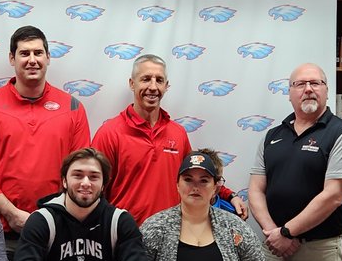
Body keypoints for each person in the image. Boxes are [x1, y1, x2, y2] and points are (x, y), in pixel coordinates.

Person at [0, 25, 90, 240]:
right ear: (12, 58)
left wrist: (54, 216)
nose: (32, 60)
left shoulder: (72, 107)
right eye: (24, 53)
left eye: (38, 53)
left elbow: (81, 170)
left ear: (48, 57)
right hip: (0, 230)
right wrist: (10, 213)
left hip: (57, 229)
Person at [248, 62, 342, 261]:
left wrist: (287, 233)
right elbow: (255, 190)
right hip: (273, 250)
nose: (308, 89)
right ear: (290, 93)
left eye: (315, 83)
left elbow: (333, 196)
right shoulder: (272, 136)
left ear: (326, 90)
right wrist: (274, 233)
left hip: (318, 252)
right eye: (300, 84)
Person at [93, 55, 248, 224]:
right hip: (126, 234)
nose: (153, 87)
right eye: (146, 79)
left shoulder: (178, 133)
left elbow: (197, 176)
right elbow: (94, 187)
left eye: (159, 80)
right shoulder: (109, 133)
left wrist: (229, 196)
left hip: (171, 232)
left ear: (166, 86)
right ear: (132, 83)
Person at [10, 148, 151, 261]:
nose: (85, 183)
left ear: (103, 185)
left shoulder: (120, 221)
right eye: (78, 175)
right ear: (64, 181)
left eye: (94, 177)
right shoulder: (42, 220)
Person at [140, 152, 266, 261]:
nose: (195, 187)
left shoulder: (234, 226)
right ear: (177, 185)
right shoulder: (155, 226)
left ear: (215, 188)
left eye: (204, 181)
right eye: (188, 180)